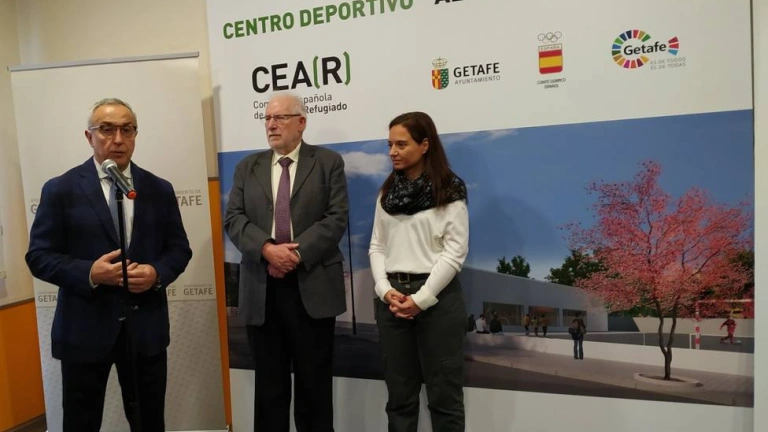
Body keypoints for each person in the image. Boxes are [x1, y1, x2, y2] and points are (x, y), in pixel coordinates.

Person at [25, 98, 193, 432]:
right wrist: (89, 273)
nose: (118, 139)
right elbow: (39, 256)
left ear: (135, 135)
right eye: (107, 129)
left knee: (149, 424)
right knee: (81, 424)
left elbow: (178, 249)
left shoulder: (158, 189)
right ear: (89, 136)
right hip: (84, 330)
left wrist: (156, 273)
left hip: (144, 331)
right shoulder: (60, 189)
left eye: (127, 129)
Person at [224, 91, 349, 432]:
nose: (271, 124)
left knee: (314, 388)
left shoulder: (328, 162)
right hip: (262, 289)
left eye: (279, 118)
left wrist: (293, 254)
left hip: (312, 286)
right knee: (269, 388)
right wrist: (267, 249)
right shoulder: (247, 167)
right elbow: (234, 218)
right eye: (267, 118)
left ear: (301, 122)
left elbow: (336, 218)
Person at [369, 111, 469, 432]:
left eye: (401, 144)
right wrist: (384, 289)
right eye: (389, 145)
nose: (392, 152)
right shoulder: (386, 193)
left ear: (424, 145)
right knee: (399, 400)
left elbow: (455, 253)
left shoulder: (449, 190)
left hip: (438, 302)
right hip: (392, 302)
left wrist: (421, 299)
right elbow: (377, 246)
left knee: (445, 400)